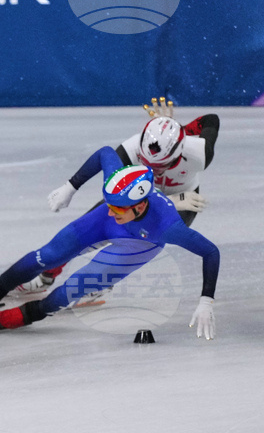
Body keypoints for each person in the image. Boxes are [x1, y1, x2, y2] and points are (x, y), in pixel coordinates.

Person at [0, 147, 220, 339]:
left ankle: (36, 311)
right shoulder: (115, 202)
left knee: (76, 286)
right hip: (102, 224)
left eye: (119, 208)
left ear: (139, 206)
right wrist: (71, 186)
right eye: (110, 204)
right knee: (48, 255)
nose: (112, 210)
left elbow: (210, 252)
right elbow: (104, 153)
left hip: (138, 246)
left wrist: (206, 300)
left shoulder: (168, 227)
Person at [19, 97, 220, 295]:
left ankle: (102, 282)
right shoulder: (129, 149)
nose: (150, 170)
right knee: (85, 232)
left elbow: (212, 119)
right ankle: (47, 276)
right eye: (144, 161)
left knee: (138, 241)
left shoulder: (199, 154)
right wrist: (71, 186)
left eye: (158, 167)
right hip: (138, 194)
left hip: (183, 198)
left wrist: (176, 130)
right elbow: (110, 183)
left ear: (178, 155)